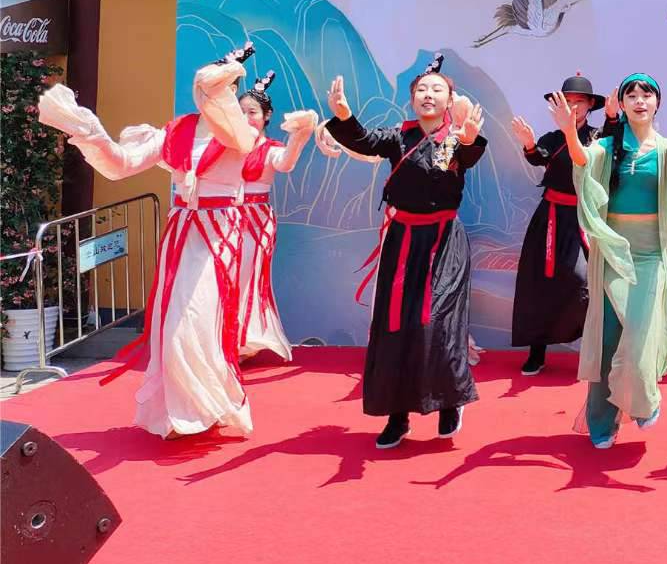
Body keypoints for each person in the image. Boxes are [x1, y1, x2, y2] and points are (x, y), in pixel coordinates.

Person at [36, 44, 262, 438]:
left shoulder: (240, 132)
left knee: (196, 319)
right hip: (182, 234)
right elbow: (121, 164)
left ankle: (208, 406)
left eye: (219, 88)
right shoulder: (176, 132)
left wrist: (224, 83)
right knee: (172, 323)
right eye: (204, 87)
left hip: (219, 236)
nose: (208, 93)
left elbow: (233, 132)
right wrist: (89, 131)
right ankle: (181, 413)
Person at [548, 72, 667, 449]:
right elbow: (582, 160)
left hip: (650, 254)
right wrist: (569, 132)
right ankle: (602, 422)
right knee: (608, 338)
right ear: (622, 103)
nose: (639, 101)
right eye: (631, 95)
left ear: (657, 103)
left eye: (646, 95)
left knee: (639, 337)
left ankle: (643, 401)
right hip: (612, 251)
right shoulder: (607, 146)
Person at [323, 53, 487, 449]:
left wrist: (466, 138)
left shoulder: (453, 138)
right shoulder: (398, 136)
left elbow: (456, 161)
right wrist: (344, 116)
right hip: (401, 241)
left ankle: (449, 401)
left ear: (449, 100)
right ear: (412, 100)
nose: (428, 95)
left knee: (437, 323)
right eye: (422, 90)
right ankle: (397, 416)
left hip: (442, 244)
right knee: (395, 325)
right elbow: (363, 140)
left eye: (437, 90)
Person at [508, 73, 612, 376]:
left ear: (590, 105)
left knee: (584, 282)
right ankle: (537, 352)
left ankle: (592, 353)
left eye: (580, 101)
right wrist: (529, 144)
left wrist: (612, 117)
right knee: (540, 283)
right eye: (568, 102)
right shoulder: (552, 139)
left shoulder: (598, 137)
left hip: (585, 219)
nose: (573, 107)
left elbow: (608, 151)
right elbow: (538, 158)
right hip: (550, 218)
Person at [237, 70, 318, 362]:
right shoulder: (225, 147)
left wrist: (299, 136)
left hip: (254, 221)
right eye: (240, 112)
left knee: (246, 279)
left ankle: (244, 341)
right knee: (218, 279)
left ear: (266, 116)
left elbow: (285, 164)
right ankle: (217, 339)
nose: (246, 117)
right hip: (221, 219)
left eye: (252, 112)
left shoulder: (271, 150)